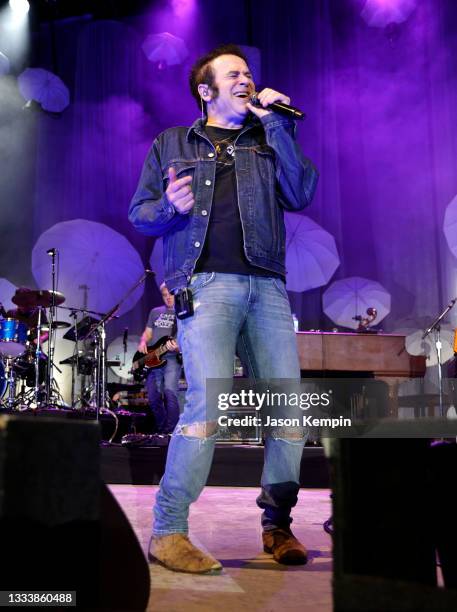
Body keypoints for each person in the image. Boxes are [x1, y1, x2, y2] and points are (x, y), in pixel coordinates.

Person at [129, 44, 318, 574]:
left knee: (288, 415)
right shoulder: (173, 142)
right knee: (205, 412)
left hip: (268, 289)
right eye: (233, 73)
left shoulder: (268, 135)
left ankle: (277, 526)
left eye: (250, 73)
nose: (247, 79)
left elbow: (301, 191)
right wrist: (172, 207)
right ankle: (168, 533)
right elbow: (140, 213)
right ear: (205, 90)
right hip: (206, 287)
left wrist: (278, 125)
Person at [137, 282, 181, 435]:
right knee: (153, 397)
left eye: (171, 294)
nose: (168, 298)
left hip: (172, 359)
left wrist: (177, 347)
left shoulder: (182, 313)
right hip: (152, 359)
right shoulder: (155, 312)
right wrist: (143, 342)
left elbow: (187, 338)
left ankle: (171, 432)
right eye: (165, 295)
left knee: (170, 392)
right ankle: (162, 429)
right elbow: (148, 334)